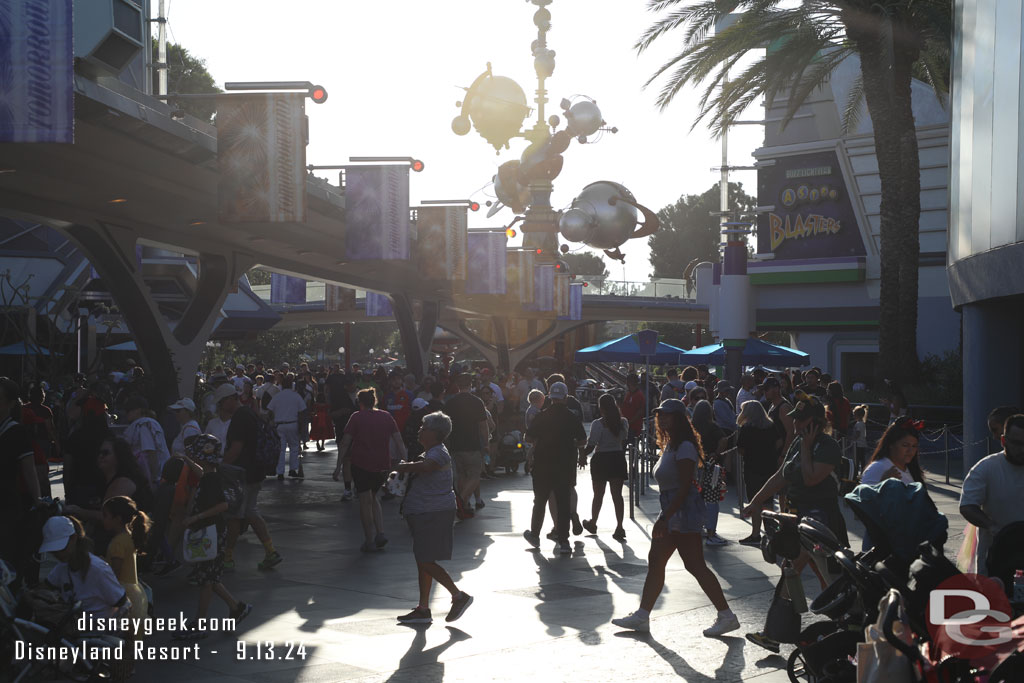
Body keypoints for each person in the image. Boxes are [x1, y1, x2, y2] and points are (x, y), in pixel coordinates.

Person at [611, 399, 738, 636]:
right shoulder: (671, 444)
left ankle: (726, 615)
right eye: (661, 415)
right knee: (657, 560)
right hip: (672, 509)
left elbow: (684, 487)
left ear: (679, 418)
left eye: (668, 415)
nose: (663, 419)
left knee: (694, 564)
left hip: (682, 511)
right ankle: (643, 615)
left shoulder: (685, 447)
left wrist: (665, 517)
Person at [743, 391, 848, 653]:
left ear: (815, 421)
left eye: (801, 420)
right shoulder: (798, 442)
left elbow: (812, 478)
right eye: (795, 420)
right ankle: (777, 634)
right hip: (797, 517)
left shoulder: (827, 446)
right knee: (796, 572)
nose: (796, 425)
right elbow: (782, 475)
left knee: (829, 576)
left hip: (821, 521)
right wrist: (756, 501)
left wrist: (804, 446)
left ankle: (849, 626)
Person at [393, 411, 473, 624]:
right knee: (423, 560)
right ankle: (423, 607)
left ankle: (458, 595)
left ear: (436, 433)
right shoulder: (431, 451)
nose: (420, 430)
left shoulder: (438, 453)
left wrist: (400, 466)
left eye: (424, 428)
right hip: (424, 511)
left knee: (425, 559)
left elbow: (427, 467)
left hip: (432, 512)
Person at [174, 434, 252, 640]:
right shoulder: (210, 475)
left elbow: (223, 505)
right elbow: (202, 474)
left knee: (207, 580)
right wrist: (188, 461)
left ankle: (199, 623)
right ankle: (236, 608)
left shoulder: (211, 481)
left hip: (211, 533)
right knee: (209, 577)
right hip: (212, 533)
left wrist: (195, 517)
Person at [333, 388, 407, 552]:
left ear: (360, 403)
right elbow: (399, 440)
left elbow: (345, 442)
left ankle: (369, 540)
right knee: (374, 497)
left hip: (361, 464)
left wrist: (339, 465)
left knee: (365, 502)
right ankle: (380, 533)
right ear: (375, 401)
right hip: (382, 465)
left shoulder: (356, 417)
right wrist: (406, 461)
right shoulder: (386, 416)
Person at [222, 388, 281, 572]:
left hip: (241, 474)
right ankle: (270, 551)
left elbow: (236, 448)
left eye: (221, 402)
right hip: (255, 471)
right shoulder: (250, 413)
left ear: (231, 399)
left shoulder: (240, 417)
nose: (221, 407)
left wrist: (219, 467)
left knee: (234, 516)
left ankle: (228, 557)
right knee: (250, 511)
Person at [523, 382, 586, 555]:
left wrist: (539, 443)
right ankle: (564, 541)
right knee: (563, 503)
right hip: (564, 466)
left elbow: (528, 437)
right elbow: (582, 440)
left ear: (550, 397)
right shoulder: (571, 417)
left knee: (540, 501)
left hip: (542, 465)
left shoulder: (541, 416)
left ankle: (535, 535)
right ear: (565, 398)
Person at [959, 414, 1024, 575]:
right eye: (1017, 443)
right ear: (1003, 441)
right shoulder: (986, 468)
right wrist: (990, 525)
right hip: (995, 557)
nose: (1022, 449)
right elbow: (967, 506)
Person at [39, 515, 129, 618]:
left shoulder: (98, 569)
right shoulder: (62, 568)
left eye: (61, 549)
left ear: (74, 538)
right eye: (54, 551)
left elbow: (121, 602)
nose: (58, 554)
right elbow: (46, 586)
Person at [0, 377, 42, 588]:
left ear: (8, 402)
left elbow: (29, 471)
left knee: (7, 561)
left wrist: (38, 501)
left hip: (6, 506)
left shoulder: (16, 431)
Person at [581, 393, 629, 540]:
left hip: (601, 459)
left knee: (598, 495)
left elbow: (592, 444)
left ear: (601, 408)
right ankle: (620, 526)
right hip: (617, 458)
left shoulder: (598, 424)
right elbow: (624, 440)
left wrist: (581, 455)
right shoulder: (623, 422)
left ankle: (593, 522)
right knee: (617, 496)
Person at [442, 374, 490, 519]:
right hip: (472, 444)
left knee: (462, 475)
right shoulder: (477, 402)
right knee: (475, 476)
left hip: (455, 444)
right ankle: (461, 502)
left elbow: (445, 425)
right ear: (470, 384)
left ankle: (466, 505)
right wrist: (486, 443)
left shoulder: (450, 402)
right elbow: (483, 426)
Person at [735, 400, 781, 546]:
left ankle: (756, 533)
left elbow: (741, 449)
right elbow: (779, 442)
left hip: (752, 467)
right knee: (768, 500)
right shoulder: (771, 426)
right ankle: (771, 531)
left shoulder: (747, 428)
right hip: (770, 466)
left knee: (755, 501)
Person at [101, 496, 150, 621]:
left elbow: (116, 572)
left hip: (125, 594)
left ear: (117, 519)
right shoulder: (128, 536)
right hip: (136, 591)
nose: (103, 519)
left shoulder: (118, 542)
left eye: (105, 515)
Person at [691, 400, 728, 546]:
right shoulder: (712, 426)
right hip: (711, 467)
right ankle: (711, 533)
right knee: (712, 500)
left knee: (696, 499)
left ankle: (698, 528)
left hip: (694, 466)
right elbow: (724, 439)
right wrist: (717, 454)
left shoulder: (691, 427)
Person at [121, 395, 170, 486]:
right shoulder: (148, 423)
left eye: (130, 410)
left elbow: (151, 453)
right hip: (160, 475)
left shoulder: (143, 425)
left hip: (156, 478)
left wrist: (153, 480)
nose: (127, 413)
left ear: (139, 410)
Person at [860, 419, 926, 487]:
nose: (910, 450)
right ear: (891, 444)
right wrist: (883, 483)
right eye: (905, 445)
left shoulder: (911, 469)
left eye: (914, 446)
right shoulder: (877, 467)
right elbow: (864, 496)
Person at [267, 375, 308, 479]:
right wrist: (302, 426)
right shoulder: (296, 396)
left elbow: (269, 410)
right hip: (293, 423)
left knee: (281, 449)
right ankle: (293, 469)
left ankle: (280, 472)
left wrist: (272, 420)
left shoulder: (278, 396)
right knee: (294, 447)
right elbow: (302, 411)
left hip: (280, 424)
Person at [21, 384, 58, 497]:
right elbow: (50, 429)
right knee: (42, 469)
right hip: (42, 442)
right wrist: (56, 443)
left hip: (26, 442)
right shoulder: (45, 410)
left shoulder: (24, 408)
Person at [621, 374, 646, 440]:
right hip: (626, 426)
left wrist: (629, 422)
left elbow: (640, 412)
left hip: (633, 427)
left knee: (632, 446)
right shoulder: (629, 393)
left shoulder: (639, 395)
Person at [309, 388, 334, 452]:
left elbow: (314, 412)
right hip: (324, 419)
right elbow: (328, 412)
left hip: (317, 419)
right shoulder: (326, 405)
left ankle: (317, 442)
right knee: (324, 432)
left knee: (317, 432)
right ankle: (322, 445)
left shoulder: (316, 405)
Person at [851, 405, 869, 471]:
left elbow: (857, 434)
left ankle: (856, 471)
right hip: (862, 444)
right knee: (862, 459)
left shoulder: (858, 424)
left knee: (857, 459)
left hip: (858, 444)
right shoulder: (863, 423)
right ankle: (863, 470)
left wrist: (852, 438)